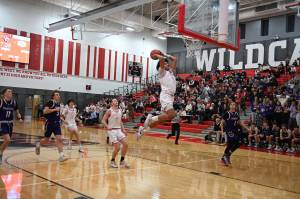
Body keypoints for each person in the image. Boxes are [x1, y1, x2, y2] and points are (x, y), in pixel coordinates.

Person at [136, 52, 177, 139]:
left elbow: (174, 59)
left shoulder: (171, 72)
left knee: (161, 120)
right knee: (172, 115)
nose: (167, 63)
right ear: (160, 66)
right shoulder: (161, 72)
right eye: (165, 63)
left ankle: (143, 130)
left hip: (170, 97)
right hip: (166, 95)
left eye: (167, 62)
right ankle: (151, 118)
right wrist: (157, 55)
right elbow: (161, 59)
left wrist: (166, 55)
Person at [35, 90, 67, 162]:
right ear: (53, 96)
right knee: (46, 140)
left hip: (57, 124)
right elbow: (44, 111)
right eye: (57, 94)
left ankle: (61, 155)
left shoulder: (58, 104)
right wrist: (55, 109)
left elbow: (57, 115)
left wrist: (62, 121)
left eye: (59, 94)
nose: (58, 96)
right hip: (49, 123)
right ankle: (38, 143)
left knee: (59, 139)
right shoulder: (50, 102)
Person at [102, 99, 129, 168]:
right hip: (112, 131)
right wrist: (107, 126)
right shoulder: (109, 111)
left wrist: (123, 129)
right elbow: (103, 120)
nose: (116, 102)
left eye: (117, 101)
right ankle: (112, 161)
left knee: (126, 144)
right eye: (114, 101)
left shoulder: (120, 110)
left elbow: (120, 121)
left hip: (119, 130)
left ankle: (122, 161)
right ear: (112, 103)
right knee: (117, 147)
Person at [220, 102, 250, 166]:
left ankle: (225, 156)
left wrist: (247, 128)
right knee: (236, 142)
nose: (233, 106)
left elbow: (240, 123)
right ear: (229, 106)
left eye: (234, 105)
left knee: (232, 144)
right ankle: (226, 156)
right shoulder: (227, 113)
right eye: (231, 104)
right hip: (229, 131)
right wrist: (222, 132)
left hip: (234, 131)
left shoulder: (236, 114)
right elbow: (221, 123)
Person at [0, 88, 22, 164]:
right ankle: (0, 153)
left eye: (11, 92)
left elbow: (16, 109)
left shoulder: (14, 102)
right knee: (7, 139)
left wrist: (19, 116)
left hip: (10, 123)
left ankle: (0, 152)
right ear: (4, 94)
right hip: (2, 123)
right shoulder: (1, 101)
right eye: (8, 91)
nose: (10, 93)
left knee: (7, 141)